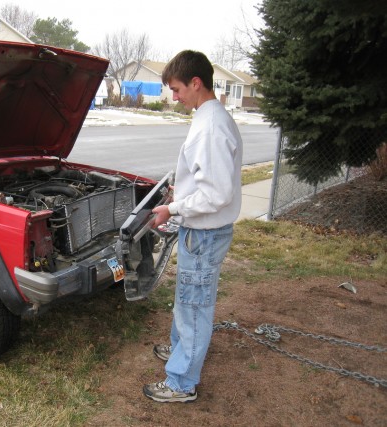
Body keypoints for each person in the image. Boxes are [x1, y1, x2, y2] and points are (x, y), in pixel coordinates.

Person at [144, 50, 243, 403]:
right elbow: (206, 181)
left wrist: (173, 208)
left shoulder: (211, 126)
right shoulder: (208, 117)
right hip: (201, 230)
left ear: (196, 83)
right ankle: (180, 349)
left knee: (194, 304)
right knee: (188, 299)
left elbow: (216, 194)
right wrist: (180, 193)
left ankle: (182, 381)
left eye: (176, 89)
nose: (174, 97)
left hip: (203, 233)